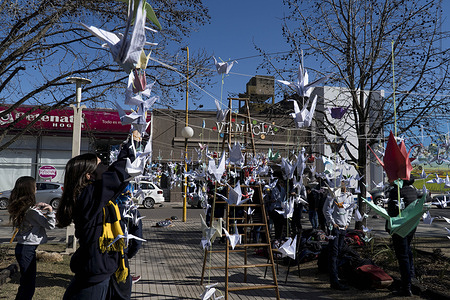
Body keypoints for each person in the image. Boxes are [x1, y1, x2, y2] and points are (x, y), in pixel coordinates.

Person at [57, 138, 135, 300]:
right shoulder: (88, 195)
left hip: (98, 268)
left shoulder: (89, 195)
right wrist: (130, 145)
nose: (105, 167)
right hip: (94, 272)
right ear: (88, 175)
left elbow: (118, 178)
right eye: (100, 164)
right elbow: (117, 174)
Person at [7, 176, 56, 300]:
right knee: (29, 285)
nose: (36, 189)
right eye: (35, 187)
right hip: (27, 249)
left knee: (25, 284)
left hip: (23, 248)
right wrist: (50, 210)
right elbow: (50, 225)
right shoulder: (32, 211)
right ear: (29, 190)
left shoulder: (22, 208)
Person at [107, 183, 143, 299]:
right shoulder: (133, 211)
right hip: (123, 254)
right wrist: (129, 254)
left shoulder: (107, 207)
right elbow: (137, 241)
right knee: (122, 289)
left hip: (105, 253)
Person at [387, 178, 418, 297]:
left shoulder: (396, 191)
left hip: (399, 228)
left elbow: (392, 211)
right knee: (407, 252)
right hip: (410, 227)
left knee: (403, 256)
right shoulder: (412, 191)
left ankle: (406, 287)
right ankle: (411, 277)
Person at [323, 182, 354, 291]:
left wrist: (347, 223)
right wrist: (332, 223)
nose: (343, 185)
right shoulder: (333, 195)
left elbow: (350, 210)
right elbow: (326, 209)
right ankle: (334, 280)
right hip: (335, 229)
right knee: (334, 253)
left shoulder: (349, 196)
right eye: (341, 182)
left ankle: (337, 276)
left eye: (345, 182)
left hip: (343, 229)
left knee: (339, 253)